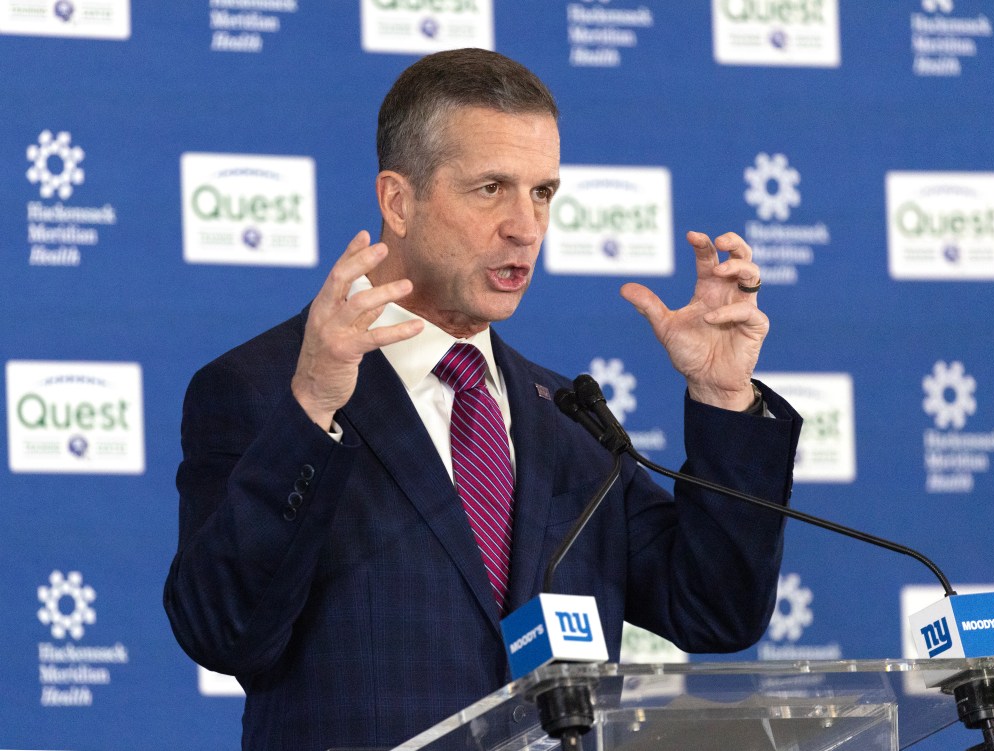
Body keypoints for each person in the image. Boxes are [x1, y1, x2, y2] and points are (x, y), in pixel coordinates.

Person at [164, 48, 801, 751]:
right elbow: (225, 633)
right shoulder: (266, 389)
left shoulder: (569, 417)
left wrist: (722, 395)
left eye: (542, 192)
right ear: (398, 202)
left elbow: (715, 610)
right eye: (491, 188)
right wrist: (312, 408)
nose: (525, 226)